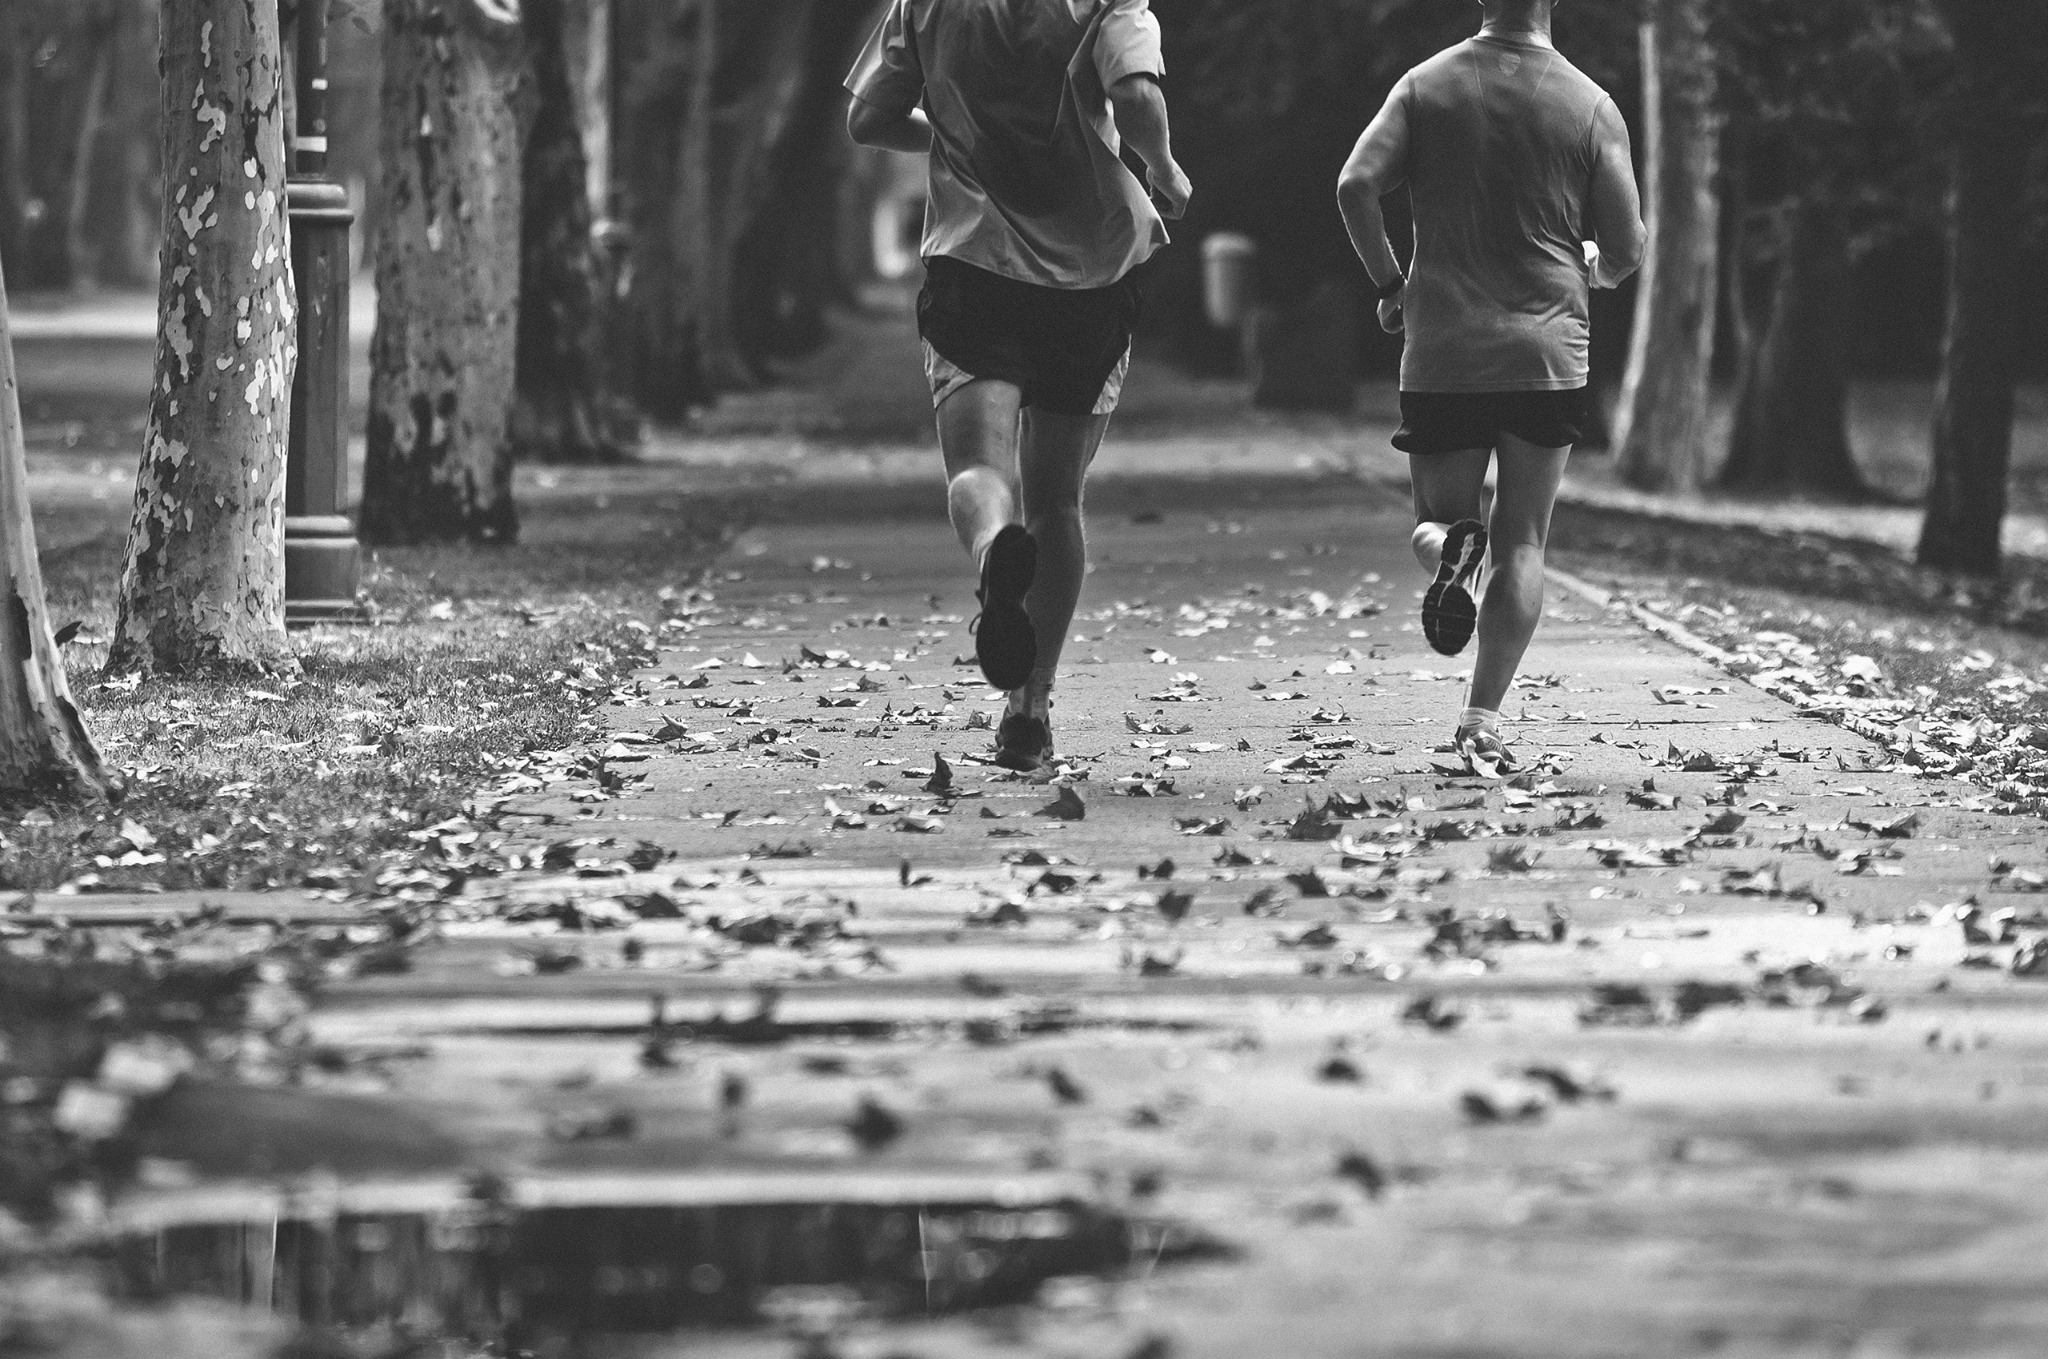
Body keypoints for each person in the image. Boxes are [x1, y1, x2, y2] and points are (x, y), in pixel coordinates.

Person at [846, 0, 1191, 773]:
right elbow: (1135, 95)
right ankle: (1029, 705)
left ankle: (995, 548)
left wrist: (954, 140)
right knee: (1059, 499)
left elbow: (869, 117)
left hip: (974, 264)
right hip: (1090, 276)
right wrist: (1163, 169)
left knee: (978, 472)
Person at [1338, 0, 1645, 776]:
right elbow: (1629, 243)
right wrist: (1598, 269)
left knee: (1435, 521)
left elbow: (1354, 186)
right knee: (1526, 541)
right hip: (1546, 355)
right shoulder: (1591, 105)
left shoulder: (1423, 86)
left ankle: (1450, 548)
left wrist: (1389, 282)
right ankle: (1481, 721)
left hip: (1444, 349)